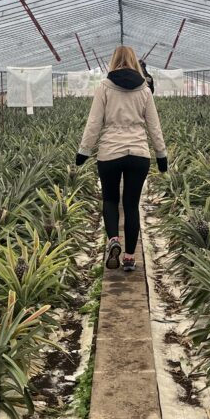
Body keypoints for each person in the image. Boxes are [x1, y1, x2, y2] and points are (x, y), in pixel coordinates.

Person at [75, 45, 167, 272]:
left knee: (109, 200)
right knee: (131, 205)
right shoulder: (144, 89)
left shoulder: (104, 87)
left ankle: (113, 239)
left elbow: (94, 123)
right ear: (135, 61)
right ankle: (128, 257)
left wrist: (84, 151)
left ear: (113, 61)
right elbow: (154, 126)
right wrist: (161, 155)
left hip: (110, 152)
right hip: (138, 153)